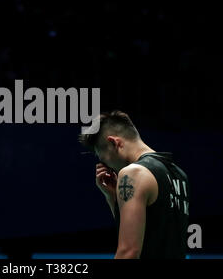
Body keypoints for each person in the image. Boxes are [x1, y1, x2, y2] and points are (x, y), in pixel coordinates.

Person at [78, 110, 190, 259]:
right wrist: (112, 197)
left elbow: (128, 252)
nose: (106, 165)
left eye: (103, 159)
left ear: (114, 142)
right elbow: (150, 235)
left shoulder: (133, 173)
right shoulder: (179, 175)